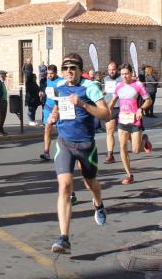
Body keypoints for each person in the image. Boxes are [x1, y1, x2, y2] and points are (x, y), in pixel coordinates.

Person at [47, 53, 110, 254]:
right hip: (65, 142)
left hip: (85, 145)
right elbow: (57, 109)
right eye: (65, 68)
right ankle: (64, 238)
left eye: (72, 68)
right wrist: (53, 116)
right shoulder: (59, 87)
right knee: (64, 186)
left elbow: (106, 114)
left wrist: (82, 104)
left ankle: (98, 204)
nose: (68, 72)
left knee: (90, 183)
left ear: (79, 69)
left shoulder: (90, 87)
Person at [108, 64, 153, 184]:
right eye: (122, 74)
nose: (124, 76)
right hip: (122, 120)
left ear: (131, 73)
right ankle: (129, 175)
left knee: (136, 150)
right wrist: (107, 112)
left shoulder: (138, 85)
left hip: (135, 120)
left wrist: (141, 109)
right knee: (122, 147)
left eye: (126, 74)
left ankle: (144, 140)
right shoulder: (118, 86)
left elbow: (148, 100)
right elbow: (112, 101)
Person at [39, 65, 60, 160]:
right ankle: (46, 152)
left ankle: (66, 151)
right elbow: (45, 90)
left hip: (59, 109)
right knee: (47, 129)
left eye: (51, 74)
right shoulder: (46, 80)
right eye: (48, 73)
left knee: (62, 131)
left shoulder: (61, 81)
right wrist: (42, 93)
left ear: (56, 73)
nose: (49, 76)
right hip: (48, 108)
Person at [103, 62, 122, 163]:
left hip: (123, 107)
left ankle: (143, 141)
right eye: (110, 70)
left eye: (113, 69)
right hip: (110, 108)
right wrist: (102, 92)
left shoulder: (122, 78)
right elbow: (106, 91)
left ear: (117, 69)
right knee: (109, 131)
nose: (111, 72)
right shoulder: (106, 79)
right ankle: (110, 155)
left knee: (127, 134)